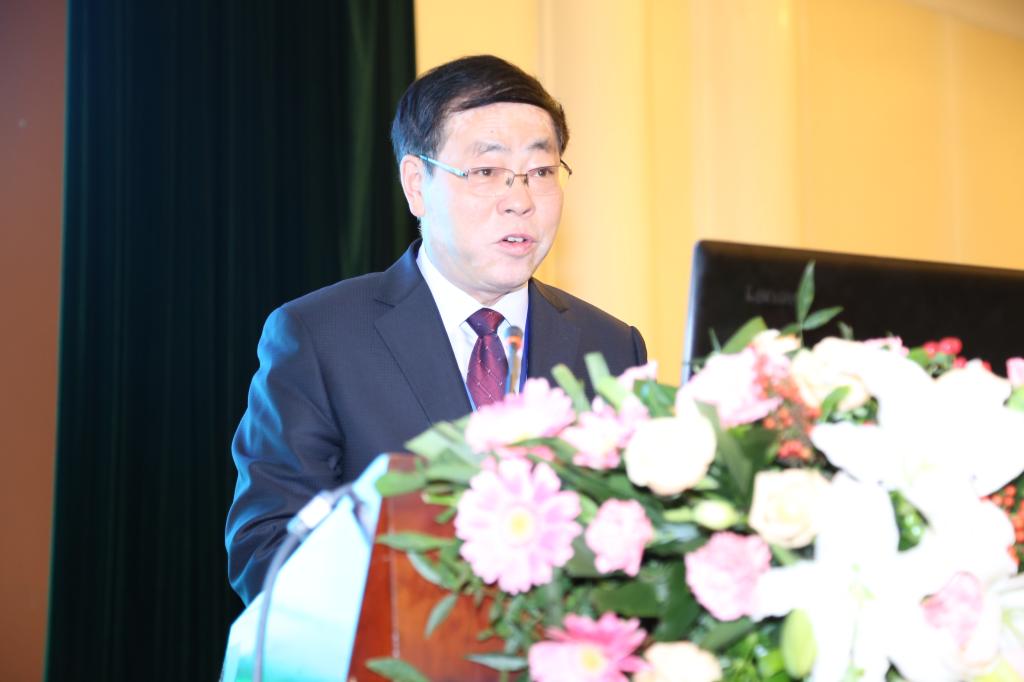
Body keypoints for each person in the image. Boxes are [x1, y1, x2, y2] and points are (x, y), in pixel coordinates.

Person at [225, 55, 647, 604]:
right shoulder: (320, 337)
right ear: (416, 184)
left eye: (542, 172)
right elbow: (268, 550)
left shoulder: (611, 347)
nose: (521, 200)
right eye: (487, 171)